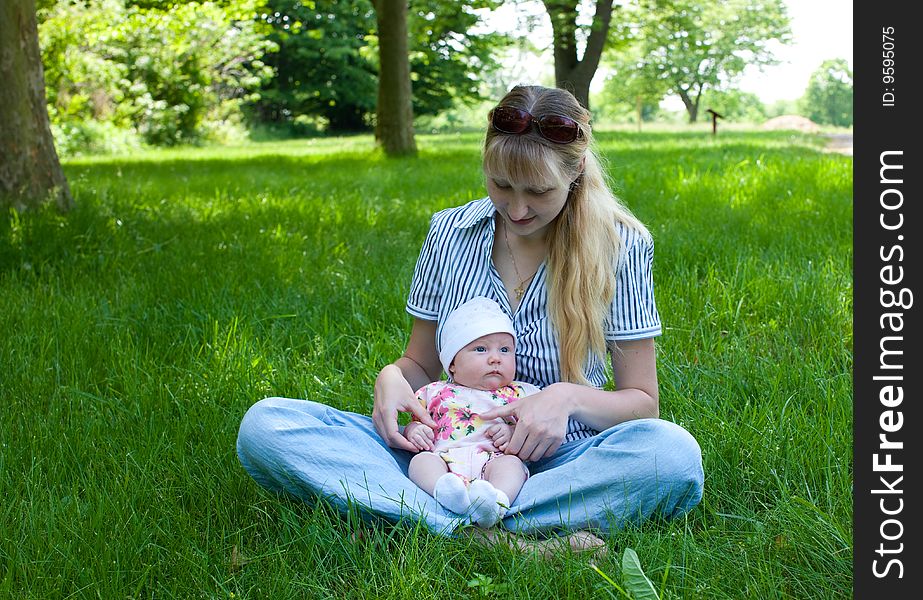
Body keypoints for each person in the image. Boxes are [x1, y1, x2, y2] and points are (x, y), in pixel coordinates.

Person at [237, 84, 704, 552]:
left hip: (560, 459)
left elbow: (642, 403)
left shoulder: (621, 246)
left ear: (576, 169)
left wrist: (564, 399)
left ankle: (420, 522)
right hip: (441, 454)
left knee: (671, 455)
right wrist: (392, 377)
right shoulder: (449, 233)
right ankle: (501, 535)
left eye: (539, 192)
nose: (517, 209)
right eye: (501, 185)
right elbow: (419, 364)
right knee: (266, 426)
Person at [404, 296, 539, 528]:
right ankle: (445, 493)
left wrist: (513, 431)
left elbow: (537, 426)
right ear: (452, 363)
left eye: (505, 350)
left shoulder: (521, 394)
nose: (496, 358)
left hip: (494, 461)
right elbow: (416, 421)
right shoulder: (434, 392)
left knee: (512, 467)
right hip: (444, 460)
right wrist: (414, 430)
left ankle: (495, 502)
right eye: (481, 349)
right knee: (420, 462)